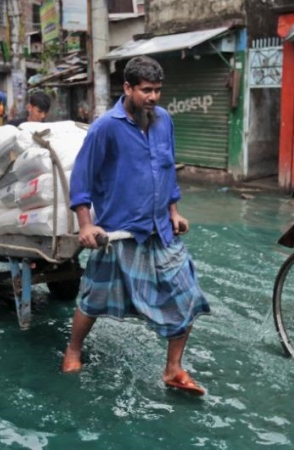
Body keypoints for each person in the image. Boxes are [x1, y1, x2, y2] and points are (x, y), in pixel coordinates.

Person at [61, 56, 211, 396]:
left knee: (186, 296)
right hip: (119, 231)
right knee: (93, 298)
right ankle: (73, 349)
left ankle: (173, 369)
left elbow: (167, 166)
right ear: (127, 88)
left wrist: (174, 210)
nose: (153, 97)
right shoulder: (105, 128)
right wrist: (85, 224)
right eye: (146, 90)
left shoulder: (164, 121)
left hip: (160, 228)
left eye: (158, 90)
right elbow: (82, 177)